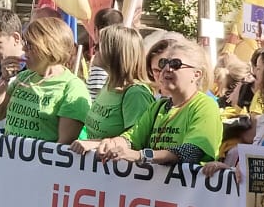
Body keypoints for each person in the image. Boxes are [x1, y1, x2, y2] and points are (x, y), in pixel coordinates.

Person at [86, 40, 221, 166]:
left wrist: (142, 155)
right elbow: (132, 138)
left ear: (196, 74)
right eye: (163, 63)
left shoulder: (205, 106)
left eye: (175, 64)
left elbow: (191, 151)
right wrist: (112, 143)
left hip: (190, 190)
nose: (167, 69)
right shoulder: (158, 107)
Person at [0, 13, 90, 144]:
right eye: (25, 43)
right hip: (11, 161)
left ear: (50, 48)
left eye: (30, 45)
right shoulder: (24, 77)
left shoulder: (72, 87)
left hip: (38, 163)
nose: (24, 48)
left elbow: (63, 145)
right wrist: (4, 79)